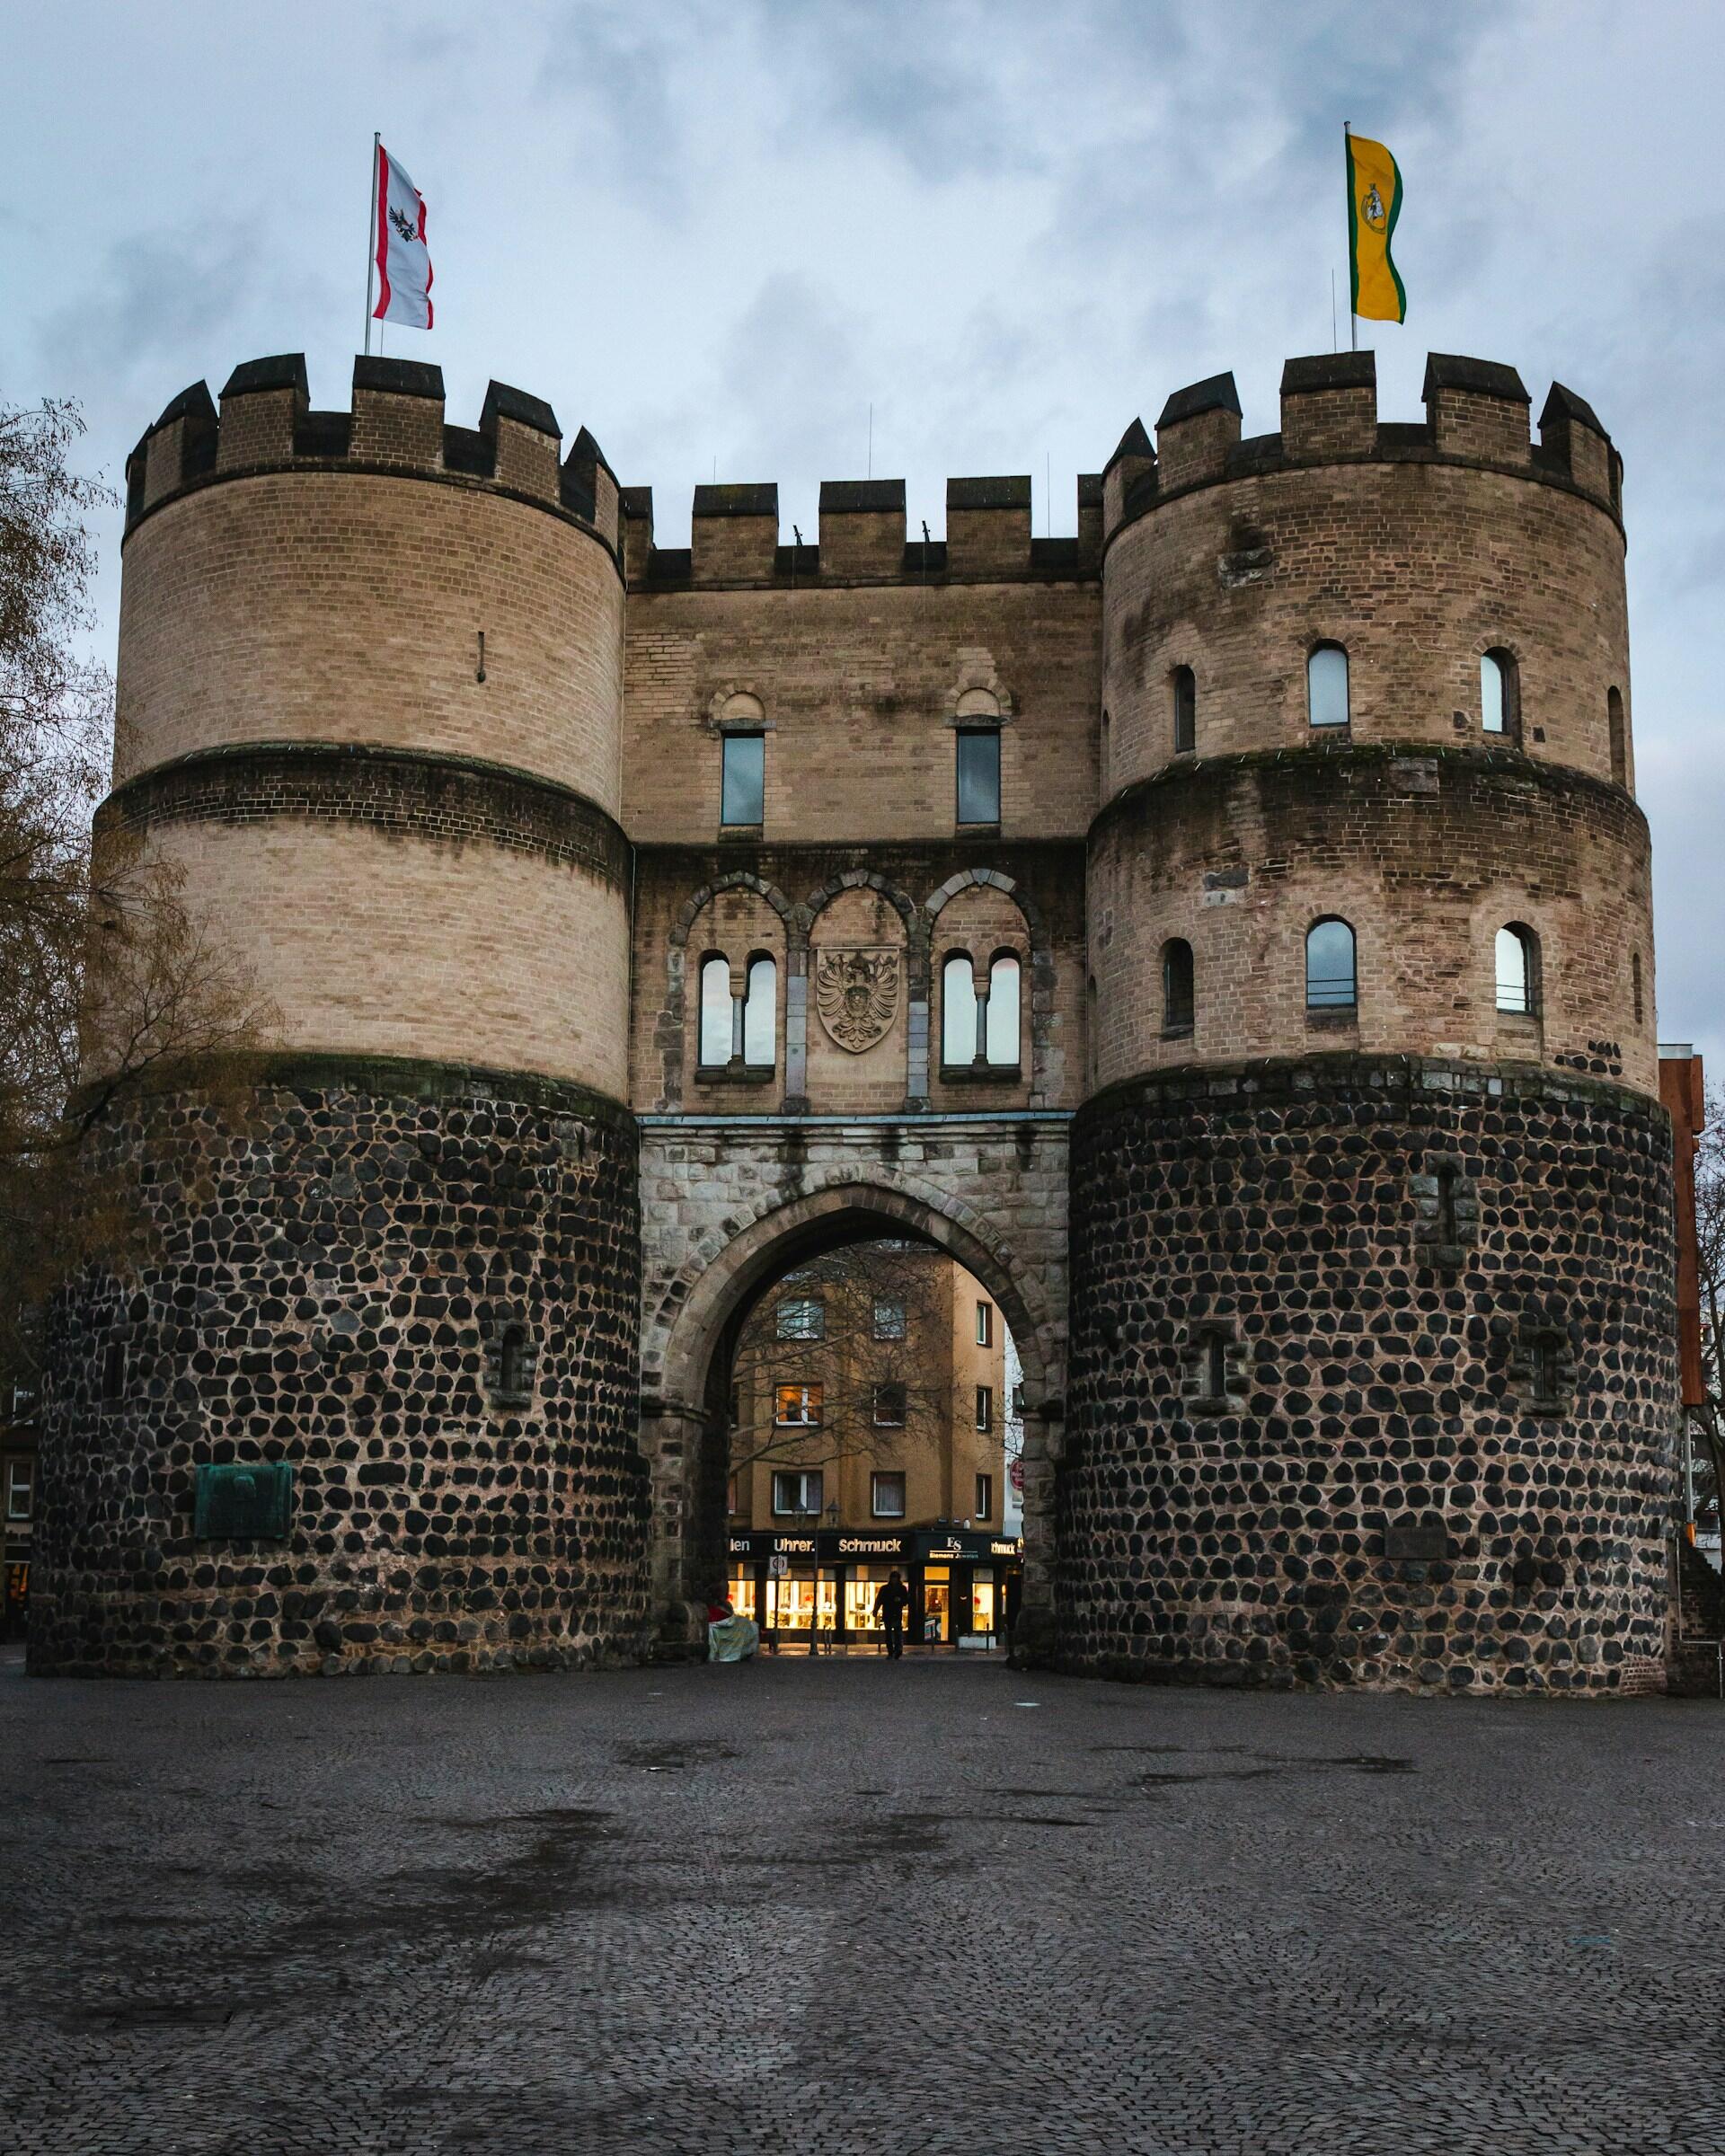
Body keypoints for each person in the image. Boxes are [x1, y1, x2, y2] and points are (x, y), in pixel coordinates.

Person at [873, 1569, 909, 1660]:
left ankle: (898, 1650)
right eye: (893, 1578)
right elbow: (879, 1600)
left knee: (897, 1633)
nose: (894, 1580)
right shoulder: (885, 1589)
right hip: (888, 1613)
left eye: (895, 1578)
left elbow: (906, 1600)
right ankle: (891, 1651)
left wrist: (900, 1600)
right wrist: (875, 1610)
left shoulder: (902, 1589)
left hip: (896, 1613)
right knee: (889, 1634)